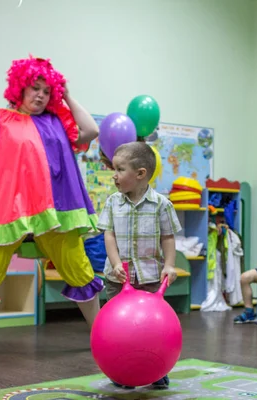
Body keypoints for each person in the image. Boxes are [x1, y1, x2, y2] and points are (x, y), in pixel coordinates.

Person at [0, 56, 103, 359]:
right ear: (20, 87)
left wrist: (66, 94)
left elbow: (91, 130)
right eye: (34, 88)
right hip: (6, 209)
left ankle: (101, 335)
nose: (40, 95)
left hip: (56, 211)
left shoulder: (56, 123)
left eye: (46, 91)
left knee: (78, 268)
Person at [98, 141, 181, 389]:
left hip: (150, 278)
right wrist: (115, 263)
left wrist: (169, 265)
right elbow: (108, 234)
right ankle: (121, 370)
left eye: (120, 169)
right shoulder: (113, 202)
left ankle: (156, 370)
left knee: (151, 330)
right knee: (118, 330)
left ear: (140, 174)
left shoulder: (162, 204)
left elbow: (168, 236)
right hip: (118, 279)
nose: (114, 175)